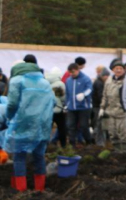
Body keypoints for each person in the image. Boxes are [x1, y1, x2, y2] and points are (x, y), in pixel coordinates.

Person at [6, 61, 55, 192]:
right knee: (39, 155)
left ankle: (21, 190)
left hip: (24, 123)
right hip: (42, 124)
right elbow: (53, 102)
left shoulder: (16, 80)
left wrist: (9, 117)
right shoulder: (44, 82)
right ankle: (40, 189)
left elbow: (12, 104)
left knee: (19, 156)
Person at [100, 59, 126, 153]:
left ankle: (125, 151)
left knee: (124, 133)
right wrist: (102, 107)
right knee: (113, 133)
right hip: (110, 112)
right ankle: (117, 150)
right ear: (113, 70)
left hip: (122, 112)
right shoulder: (108, 81)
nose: (119, 70)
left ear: (124, 70)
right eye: (117, 68)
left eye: (121, 68)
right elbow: (104, 95)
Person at [65, 62, 93, 146]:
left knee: (84, 126)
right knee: (70, 126)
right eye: (70, 72)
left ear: (78, 70)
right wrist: (66, 104)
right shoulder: (68, 80)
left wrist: (84, 94)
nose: (71, 74)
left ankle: (89, 142)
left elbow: (90, 89)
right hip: (71, 108)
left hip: (83, 107)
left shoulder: (86, 79)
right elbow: (67, 93)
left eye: (73, 72)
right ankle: (72, 144)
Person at [46, 68, 67, 148]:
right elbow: (63, 98)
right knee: (62, 128)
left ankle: (46, 146)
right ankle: (63, 145)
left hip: (48, 110)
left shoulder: (46, 83)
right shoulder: (60, 84)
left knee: (48, 129)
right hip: (59, 110)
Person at [92, 67, 110, 146]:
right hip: (98, 106)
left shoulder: (103, 82)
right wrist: (105, 105)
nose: (106, 77)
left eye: (107, 75)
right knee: (99, 124)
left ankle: (101, 139)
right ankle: (98, 141)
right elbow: (101, 96)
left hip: (99, 106)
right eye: (105, 75)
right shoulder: (99, 83)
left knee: (101, 123)